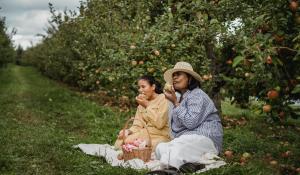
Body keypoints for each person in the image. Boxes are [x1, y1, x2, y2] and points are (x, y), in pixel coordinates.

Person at [147, 62, 223, 174]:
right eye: (174, 75)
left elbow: (190, 122)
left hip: (205, 137)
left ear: (190, 78)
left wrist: (175, 103)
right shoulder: (179, 97)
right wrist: (173, 102)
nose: (174, 77)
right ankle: (194, 165)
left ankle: (170, 170)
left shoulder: (197, 94)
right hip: (187, 138)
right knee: (160, 148)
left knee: (177, 148)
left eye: (178, 74)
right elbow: (175, 128)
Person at [114, 75, 171, 154]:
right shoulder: (141, 103)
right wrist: (128, 131)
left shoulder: (164, 99)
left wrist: (147, 105)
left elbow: (160, 123)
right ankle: (132, 150)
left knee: (144, 145)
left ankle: (132, 151)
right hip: (145, 134)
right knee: (120, 142)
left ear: (153, 87)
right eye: (139, 87)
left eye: (143, 87)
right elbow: (137, 125)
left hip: (161, 136)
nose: (140, 90)